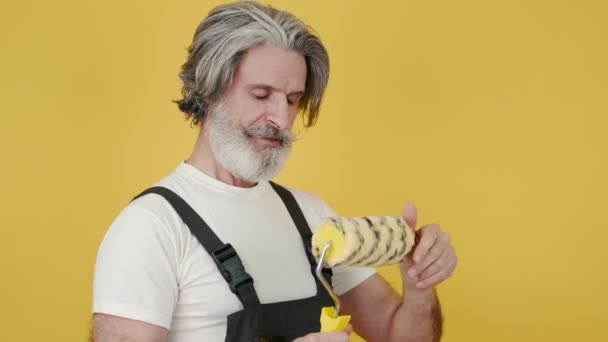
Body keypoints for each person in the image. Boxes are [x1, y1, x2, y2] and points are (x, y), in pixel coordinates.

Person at [91, 1, 458, 341]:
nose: (281, 119)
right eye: (262, 94)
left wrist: (420, 284)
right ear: (209, 90)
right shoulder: (152, 227)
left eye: (293, 100)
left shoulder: (313, 217)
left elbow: (399, 335)